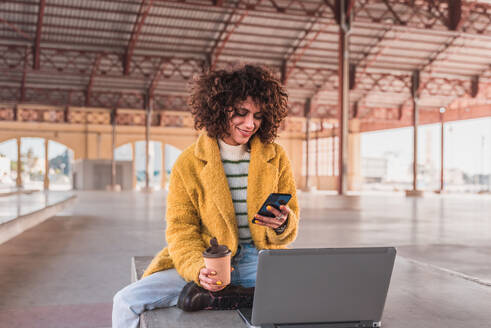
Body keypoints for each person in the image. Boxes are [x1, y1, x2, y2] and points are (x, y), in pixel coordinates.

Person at [112, 64, 300, 328]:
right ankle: (228, 293)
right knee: (125, 302)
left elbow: (291, 220)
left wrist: (283, 223)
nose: (250, 124)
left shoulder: (276, 157)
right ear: (219, 109)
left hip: (261, 261)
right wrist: (197, 269)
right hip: (208, 260)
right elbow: (181, 229)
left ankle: (233, 295)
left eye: (258, 116)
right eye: (241, 113)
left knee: (314, 297)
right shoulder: (188, 163)